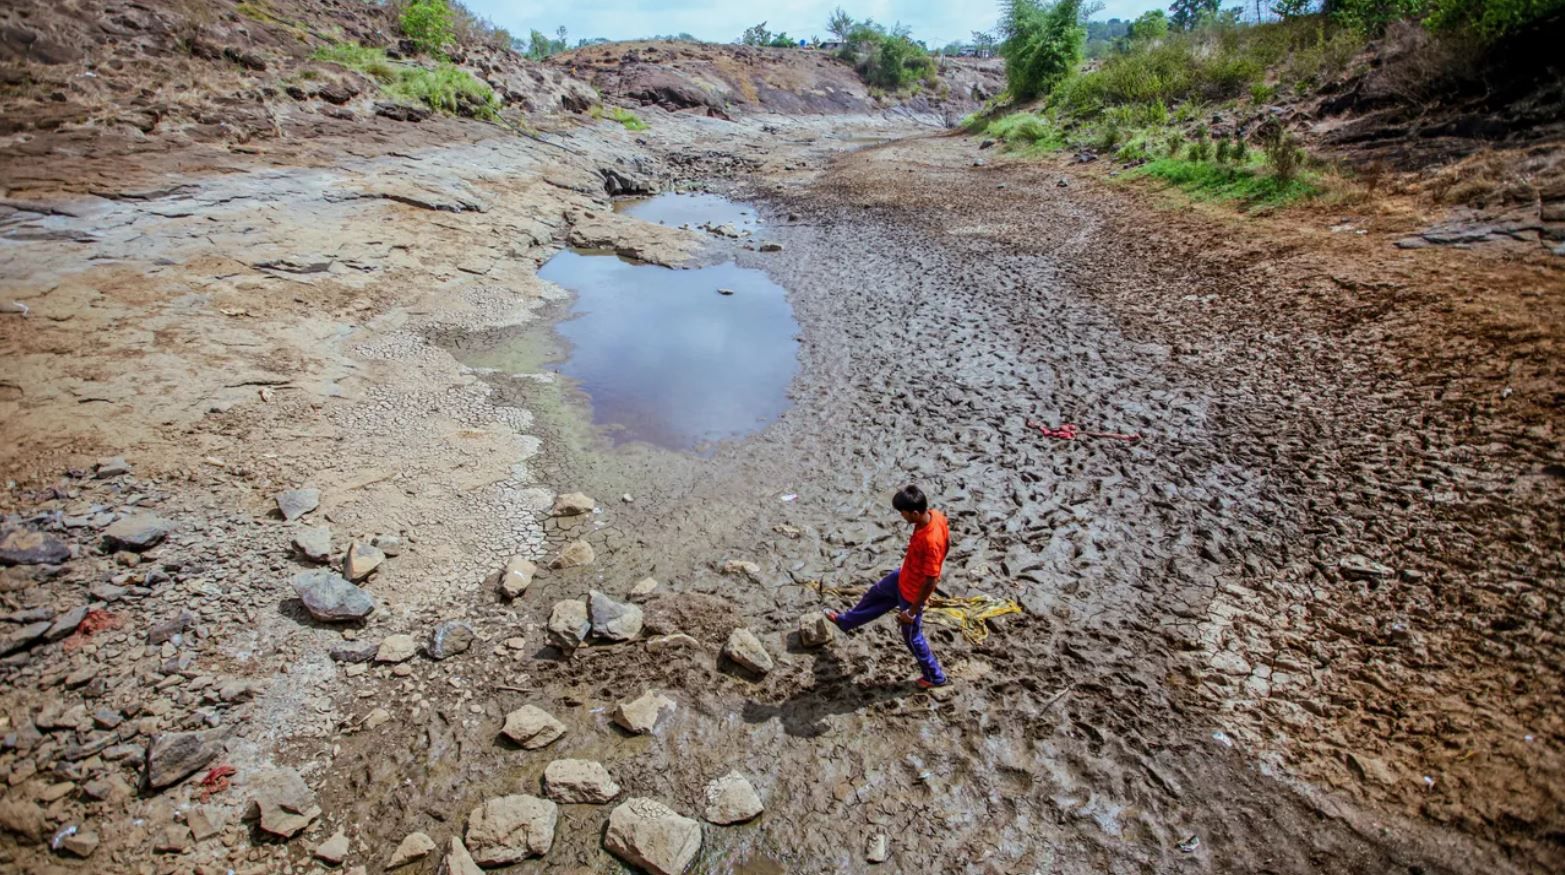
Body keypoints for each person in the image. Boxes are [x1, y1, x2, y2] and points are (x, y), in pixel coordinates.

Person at [827, 485, 949, 688]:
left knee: (912, 637)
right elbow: (949, 540)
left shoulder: (930, 541)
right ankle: (845, 621)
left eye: (903, 513)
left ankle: (935, 676)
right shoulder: (936, 515)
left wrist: (911, 611)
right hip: (901, 577)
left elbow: (931, 580)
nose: (901, 516)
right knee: (873, 596)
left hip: (912, 594)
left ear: (915, 513)